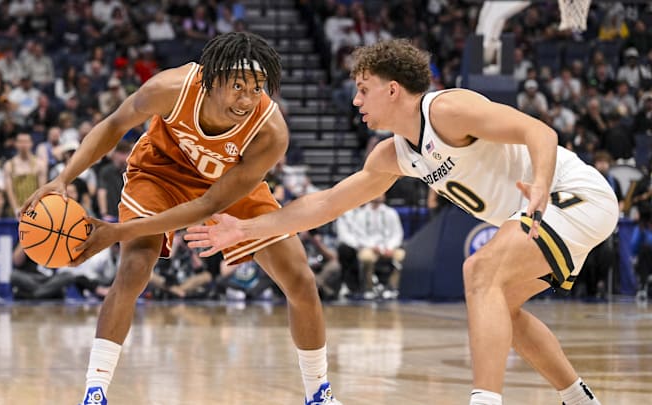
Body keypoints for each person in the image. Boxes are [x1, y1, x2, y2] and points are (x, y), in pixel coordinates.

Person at [184, 39, 618, 405]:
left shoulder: (448, 109)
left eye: (362, 89)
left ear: (392, 90)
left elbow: (540, 133)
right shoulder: (393, 155)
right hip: (548, 215)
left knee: (480, 271)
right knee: (502, 309)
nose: (356, 101)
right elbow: (326, 205)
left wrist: (540, 189)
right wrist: (246, 229)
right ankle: (579, 398)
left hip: (573, 195)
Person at [20, 32, 341, 405]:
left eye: (256, 88)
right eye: (238, 86)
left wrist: (117, 231)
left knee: (300, 279)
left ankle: (319, 393)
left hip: (226, 184)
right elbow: (113, 125)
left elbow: (207, 205)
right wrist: (63, 177)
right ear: (212, 78)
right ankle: (95, 392)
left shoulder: (270, 131)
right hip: (160, 172)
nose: (247, 99)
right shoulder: (171, 88)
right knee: (136, 265)